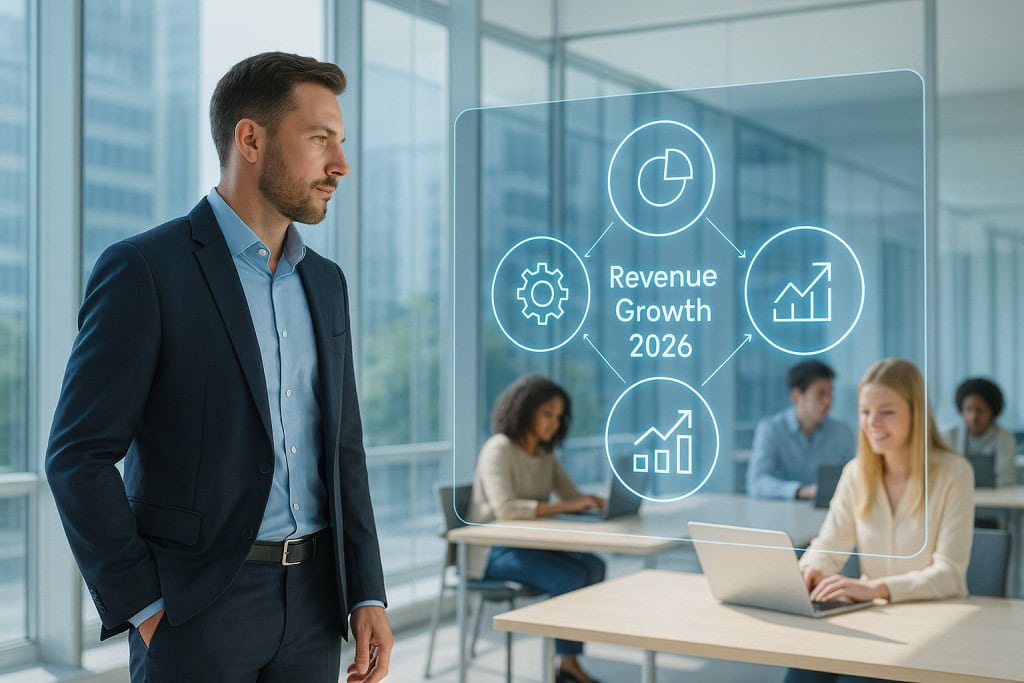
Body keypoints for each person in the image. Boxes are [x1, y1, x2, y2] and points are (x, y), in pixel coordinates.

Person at [45, 52, 392, 683]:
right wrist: (147, 609)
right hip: (198, 610)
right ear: (251, 138)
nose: (339, 165)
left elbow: (344, 449)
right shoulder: (146, 270)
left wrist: (366, 591)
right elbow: (77, 456)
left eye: (339, 143)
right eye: (319, 140)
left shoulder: (326, 283)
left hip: (315, 606)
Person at [786, 359, 974, 683]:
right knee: (802, 669)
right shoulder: (856, 473)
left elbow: (950, 576)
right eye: (864, 412)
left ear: (916, 413)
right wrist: (810, 570)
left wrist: (874, 588)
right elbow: (828, 545)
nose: (872, 422)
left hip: (932, 626)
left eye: (886, 412)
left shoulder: (954, 473)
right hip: (872, 620)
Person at [468, 374, 607, 683]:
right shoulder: (498, 449)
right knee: (569, 576)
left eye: (558, 417)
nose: (553, 423)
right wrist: (566, 506)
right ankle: (565, 666)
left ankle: (567, 661)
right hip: (492, 553)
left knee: (594, 566)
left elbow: (571, 496)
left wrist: (593, 502)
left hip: (530, 546)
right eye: (547, 413)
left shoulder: (545, 455)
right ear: (525, 409)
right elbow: (506, 508)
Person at [747, 360, 856, 500]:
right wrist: (801, 491)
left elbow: (855, 480)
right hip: (780, 515)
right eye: (820, 394)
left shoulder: (841, 432)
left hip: (830, 515)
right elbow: (757, 483)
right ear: (797, 396)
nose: (828, 401)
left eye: (830, 393)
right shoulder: (771, 430)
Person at [943, 377, 1017, 487]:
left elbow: (1006, 481)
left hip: (996, 501)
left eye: (980, 410)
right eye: (968, 409)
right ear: (961, 410)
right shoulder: (949, 436)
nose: (973, 417)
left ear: (992, 412)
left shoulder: (1004, 438)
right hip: (958, 499)